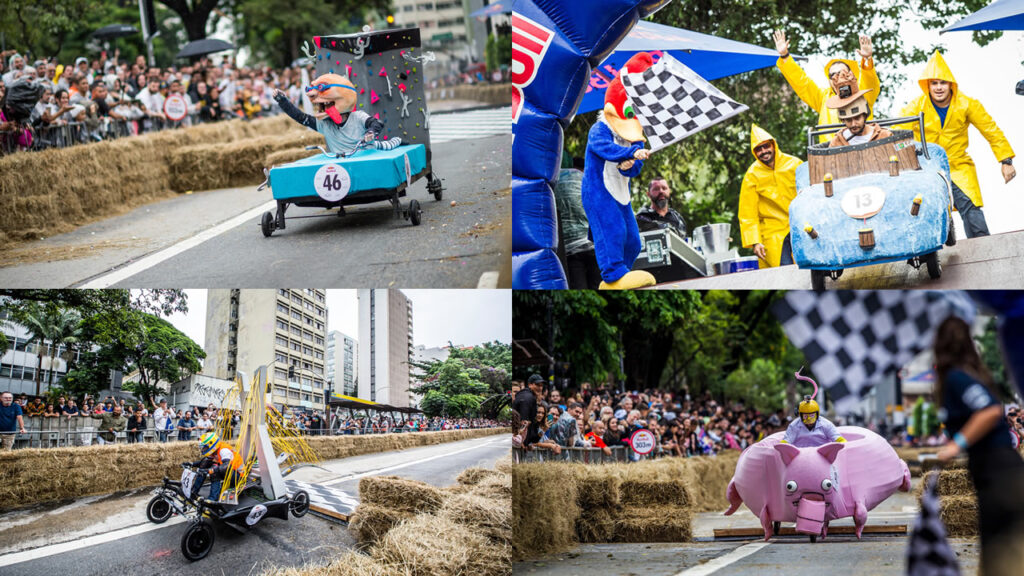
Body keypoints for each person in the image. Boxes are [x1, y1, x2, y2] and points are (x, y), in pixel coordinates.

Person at [934, 316, 1024, 575]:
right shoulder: (971, 375)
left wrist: (956, 444)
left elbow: (989, 411)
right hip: (996, 471)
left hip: (999, 473)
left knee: (1001, 555)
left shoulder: (957, 378)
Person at [898, 51, 1015, 239]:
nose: (938, 88)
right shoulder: (916, 106)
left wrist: (1006, 160)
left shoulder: (967, 104)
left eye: (942, 83)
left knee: (972, 211)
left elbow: (990, 130)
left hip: (958, 167)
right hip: (927, 169)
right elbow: (897, 133)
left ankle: (985, 252)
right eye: (934, 83)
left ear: (950, 84)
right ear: (927, 85)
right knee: (925, 213)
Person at [774, 30, 879, 143]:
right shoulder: (824, 98)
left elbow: (870, 81)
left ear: (851, 74)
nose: (837, 77)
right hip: (832, 155)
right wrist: (785, 56)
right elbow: (802, 84)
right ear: (829, 80)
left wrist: (867, 59)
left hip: (864, 151)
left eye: (841, 73)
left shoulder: (863, 93)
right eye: (833, 75)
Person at [738, 124, 802, 268]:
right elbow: (748, 214)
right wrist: (755, 241)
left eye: (766, 146)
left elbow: (811, 194)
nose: (763, 151)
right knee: (784, 270)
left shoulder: (795, 163)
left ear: (773, 145)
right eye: (758, 149)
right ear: (754, 152)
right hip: (774, 231)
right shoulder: (751, 175)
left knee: (811, 267)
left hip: (801, 224)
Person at [826, 90, 891, 148]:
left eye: (857, 118)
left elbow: (900, 151)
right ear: (843, 120)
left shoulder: (884, 136)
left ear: (865, 116)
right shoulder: (837, 142)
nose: (853, 124)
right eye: (848, 120)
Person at [781, 395, 846, 447]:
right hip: (800, 457)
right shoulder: (794, 426)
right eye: (805, 416)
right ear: (800, 415)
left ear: (817, 414)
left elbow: (838, 438)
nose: (809, 420)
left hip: (823, 457)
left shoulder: (826, 424)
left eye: (812, 415)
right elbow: (786, 442)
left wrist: (844, 443)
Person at [194, 432, 242, 501]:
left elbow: (225, 466)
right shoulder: (216, 450)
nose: (203, 449)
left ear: (211, 444)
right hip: (231, 473)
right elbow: (204, 462)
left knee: (214, 471)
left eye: (205, 447)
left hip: (239, 476)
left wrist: (208, 471)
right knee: (206, 461)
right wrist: (192, 464)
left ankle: (213, 499)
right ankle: (194, 491)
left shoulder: (224, 450)